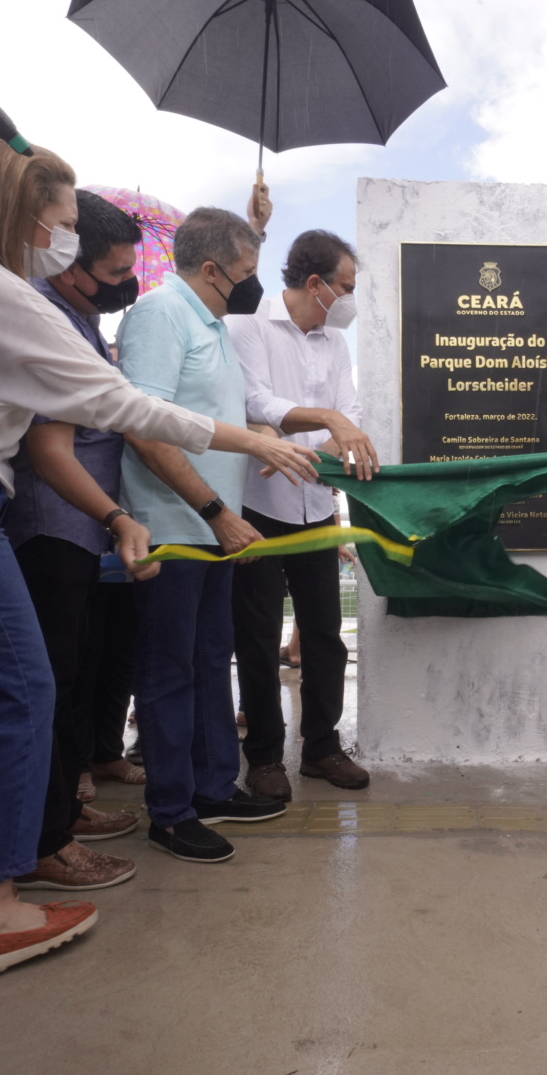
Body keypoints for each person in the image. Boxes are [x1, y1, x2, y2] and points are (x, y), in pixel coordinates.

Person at [0, 144, 316, 987]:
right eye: (70, 224)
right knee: (25, 693)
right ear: (26, 215)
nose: (75, 244)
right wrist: (244, 446)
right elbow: (125, 408)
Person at [120, 207, 311, 861]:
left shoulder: (214, 327)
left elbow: (212, 416)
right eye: (244, 276)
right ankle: (170, 811)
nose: (250, 288)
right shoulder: (160, 315)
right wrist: (215, 511)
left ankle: (210, 787)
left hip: (212, 530)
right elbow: (144, 427)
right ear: (210, 270)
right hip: (177, 528)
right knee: (169, 671)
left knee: (208, 663)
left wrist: (261, 436)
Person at [3, 189, 153, 894]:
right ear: (69, 265)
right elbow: (53, 444)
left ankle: (61, 812)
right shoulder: (46, 320)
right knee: (48, 683)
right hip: (49, 524)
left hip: (77, 532)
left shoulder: (80, 318)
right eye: (115, 271)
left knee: (72, 676)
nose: (125, 284)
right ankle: (44, 841)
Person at [228, 229, 375, 800]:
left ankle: (321, 747)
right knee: (258, 637)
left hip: (317, 504)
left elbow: (351, 411)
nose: (349, 299)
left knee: (324, 635)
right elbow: (256, 403)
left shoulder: (335, 345)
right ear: (315, 285)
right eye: (346, 287)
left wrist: (329, 438)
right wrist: (329, 424)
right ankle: (264, 755)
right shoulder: (249, 327)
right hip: (257, 506)